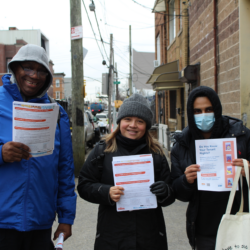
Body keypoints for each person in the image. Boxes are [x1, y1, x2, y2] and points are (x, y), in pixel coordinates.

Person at [0, 44, 76, 249]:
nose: (34, 75)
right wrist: (1, 153)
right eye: (27, 68)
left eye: (41, 70)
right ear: (15, 68)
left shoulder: (57, 113)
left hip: (39, 223)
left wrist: (66, 218)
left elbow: (65, 170)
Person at [77, 93, 175, 250]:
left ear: (147, 125)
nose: (133, 125)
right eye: (127, 119)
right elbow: (84, 185)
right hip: (112, 237)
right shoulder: (103, 151)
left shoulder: (156, 153)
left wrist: (165, 191)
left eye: (140, 121)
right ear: (120, 121)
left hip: (149, 237)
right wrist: (106, 192)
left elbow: (170, 193)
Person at [170, 86, 250, 250]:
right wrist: (185, 181)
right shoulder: (182, 145)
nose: (203, 115)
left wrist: (249, 170)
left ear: (217, 109)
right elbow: (178, 193)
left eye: (208, 109)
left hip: (240, 223)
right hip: (204, 230)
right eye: (197, 111)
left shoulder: (241, 135)